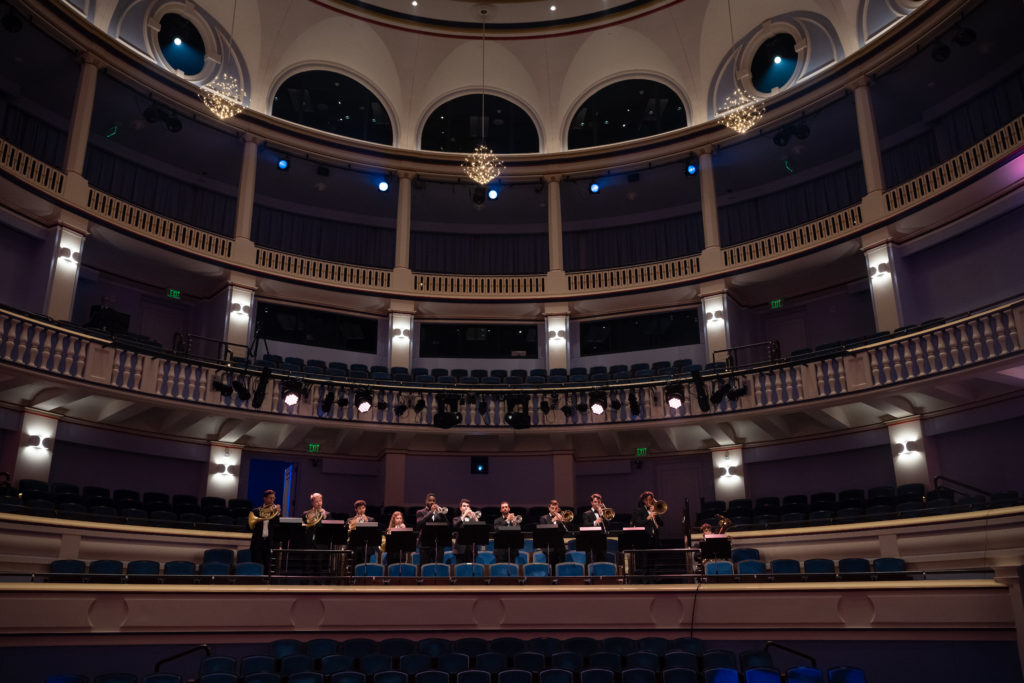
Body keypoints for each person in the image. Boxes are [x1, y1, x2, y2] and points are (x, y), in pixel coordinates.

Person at [248, 489, 281, 574]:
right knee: (257, 565)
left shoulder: (275, 512)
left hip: (268, 543)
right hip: (257, 542)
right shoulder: (256, 511)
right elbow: (249, 527)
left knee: (267, 567)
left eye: (273, 498)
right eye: (270, 498)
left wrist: (277, 515)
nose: (272, 500)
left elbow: (277, 527)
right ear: (265, 499)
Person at [631, 490, 663, 575]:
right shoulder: (639, 510)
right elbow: (637, 523)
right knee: (644, 562)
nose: (649, 502)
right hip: (644, 539)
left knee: (654, 561)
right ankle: (644, 580)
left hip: (654, 539)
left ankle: (654, 579)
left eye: (651, 500)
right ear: (643, 501)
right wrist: (648, 517)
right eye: (647, 500)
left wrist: (657, 514)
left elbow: (662, 524)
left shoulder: (654, 510)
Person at [415, 492, 449, 565]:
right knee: (424, 566)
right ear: (426, 501)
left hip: (438, 545)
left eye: (434, 501)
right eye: (430, 500)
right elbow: (419, 524)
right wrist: (431, 512)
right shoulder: (420, 512)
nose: (432, 502)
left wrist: (442, 514)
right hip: (425, 545)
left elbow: (447, 525)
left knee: (439, 566)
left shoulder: (439, 513)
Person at [301, 492, 330, 574]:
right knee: (306, 566)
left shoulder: (327, 514)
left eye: (320, 501)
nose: (319, 503)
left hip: (320, 544)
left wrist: (324, 517)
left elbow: (329, 530)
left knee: (319, 566)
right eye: (316, 501)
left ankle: (318, 583)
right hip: (308, 543)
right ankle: (304, 583)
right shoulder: (306, 514)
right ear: (312, 502)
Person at [537, 498, 568, 566]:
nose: (554, 510)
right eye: (552, 508)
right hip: (549, 547)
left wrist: (560, 522)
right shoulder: (543, 518)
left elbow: (565, 531)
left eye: (556, 508)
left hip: (560, 547)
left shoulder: (561, 518)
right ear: (549, 508)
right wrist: (553, 521)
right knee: (551, 567)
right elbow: (544, 531)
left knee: (561, 566)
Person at [347, 499, 376, 566]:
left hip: (366, 547)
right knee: (354, 566)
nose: (362, 510)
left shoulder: (371, 519)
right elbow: (348, 533)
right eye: (359, 508)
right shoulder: (350, 520)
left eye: (363, 508)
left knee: (365, 566)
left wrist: (366, 522)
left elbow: (373, 533)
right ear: (356, 509)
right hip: (354, 547)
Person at [452, 498, 481, 563]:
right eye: (464, 506)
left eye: (468, 506)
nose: (466, 508)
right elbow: (455, 527)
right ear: (460, 508)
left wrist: (475, 518)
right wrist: (464, 514)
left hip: (471, 550)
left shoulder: (472, 519)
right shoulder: (456, 519)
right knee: (460, 569)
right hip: (460, 550)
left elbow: (479, 530)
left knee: (471, 570)